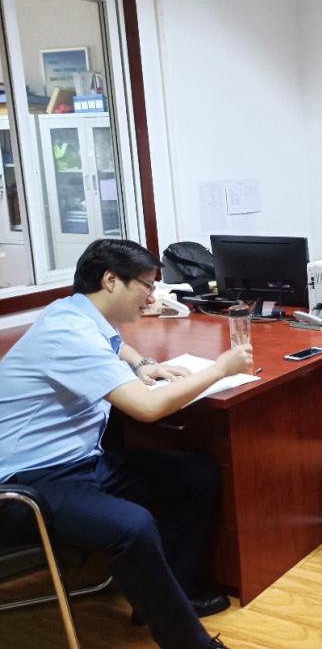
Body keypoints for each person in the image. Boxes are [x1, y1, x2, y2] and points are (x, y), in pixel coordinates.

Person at [0, 239, 253, 649]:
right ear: (111, 280)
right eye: (147, 286)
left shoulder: (76, 313)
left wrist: (143, 364)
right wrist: (221, 368)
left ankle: (165, 598)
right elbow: (147, 409)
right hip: (26, 486)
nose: (153, 297)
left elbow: (116, 345)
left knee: (197, 476)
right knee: (133, 526)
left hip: (80, 464)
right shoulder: (68, 333)